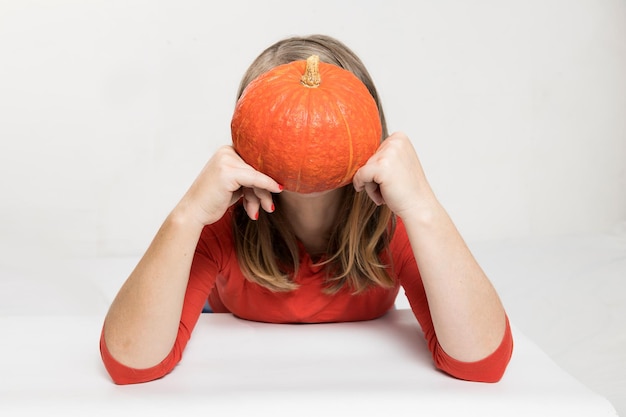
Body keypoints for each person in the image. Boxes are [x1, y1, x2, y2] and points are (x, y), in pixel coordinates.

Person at [100, 34, 513, 385]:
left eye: (327, 117)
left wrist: (424, 206)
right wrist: (188, 214)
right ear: (248, 128)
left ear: (369, 126)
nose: (308, 135)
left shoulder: (390, 224)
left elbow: (482, 364)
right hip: (226, 322)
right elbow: (131, 365)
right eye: (289, 120)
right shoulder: (224, 225)